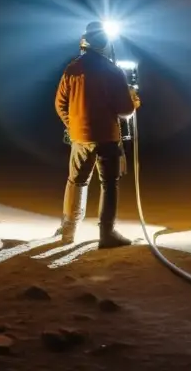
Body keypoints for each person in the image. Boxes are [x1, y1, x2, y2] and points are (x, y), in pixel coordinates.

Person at [53, 21, 139, 248]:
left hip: (79, 137)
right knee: (109, 183)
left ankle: (68, 232)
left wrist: (72, 125)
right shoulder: (113, 71)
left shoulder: (72, 69)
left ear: (85, 41)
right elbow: (125, 110)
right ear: (105, 43)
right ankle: (106, 234)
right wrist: (133, 100)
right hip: (107, 138)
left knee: (76, 181)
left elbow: (60, 103)